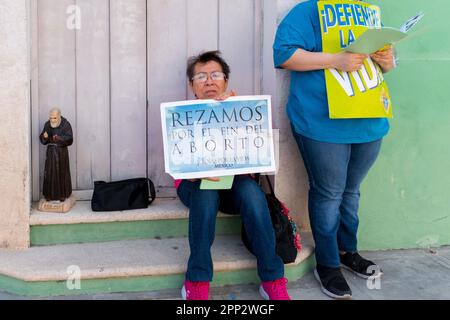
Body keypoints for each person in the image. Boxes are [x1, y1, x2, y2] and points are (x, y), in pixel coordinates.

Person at [273, 0, 395, 299]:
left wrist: (388, 60)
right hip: (321, 122)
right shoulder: (308, 11)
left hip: (368, 120)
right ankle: (327, 264)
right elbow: (285, 54)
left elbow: (385, 65)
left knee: (351, 192)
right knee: (329, 193)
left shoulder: (368, 12)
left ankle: (346, 251)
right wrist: (335, 60)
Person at [176, 50, 290, 300]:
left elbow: (255, 162)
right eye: (201, 76)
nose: (209, 81)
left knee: (251, 192)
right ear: (192, 85)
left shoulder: (241, 110)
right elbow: (178, 164)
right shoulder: (180, 115)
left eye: (216, 75)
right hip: (194, 184)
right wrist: (196, 174)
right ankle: (197, 280)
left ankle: (272, 279)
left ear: (225, 81)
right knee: (205, 195)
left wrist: (237, 122)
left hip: (234, 183)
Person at [39, 108, 73, 202]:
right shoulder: (47, 124)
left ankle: (63, 194)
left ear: (59, 116)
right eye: (50, 118)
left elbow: (70, 139)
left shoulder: (66, 124)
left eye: (54, 118)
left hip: (61, 153)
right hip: (50, 153)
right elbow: (43, 139)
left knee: (62, 172)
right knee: (49, 173)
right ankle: (49, 194)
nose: (52, 120)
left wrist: (59, 139)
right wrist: (44, 137)